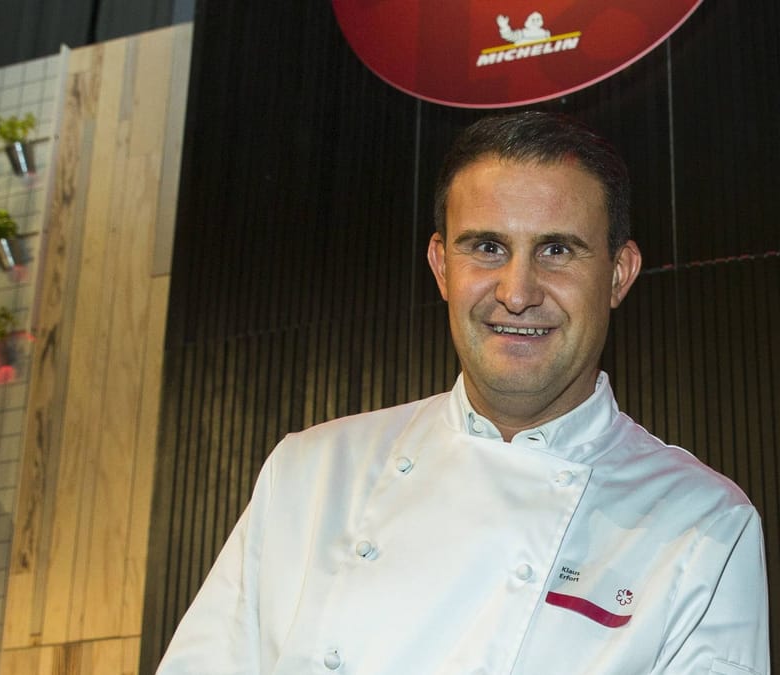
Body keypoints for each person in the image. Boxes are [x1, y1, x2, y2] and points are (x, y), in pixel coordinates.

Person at [156, 112, 770, 674]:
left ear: (618, 274)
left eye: (557, 250)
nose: (517, 292)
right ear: (442, 266)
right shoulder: (310, 473)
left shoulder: (703, 524)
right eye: (487, 247)